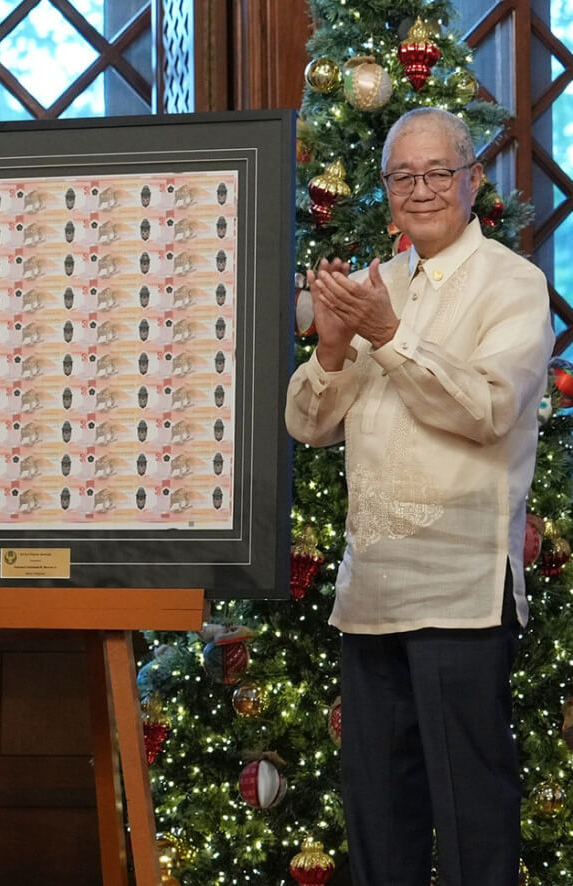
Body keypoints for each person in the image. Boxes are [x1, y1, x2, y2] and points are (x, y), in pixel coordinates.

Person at [285, 107, 553, 885]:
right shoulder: (378, 284)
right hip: (371, 591)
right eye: (405, 176)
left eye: (439, 172)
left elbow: (487, 409)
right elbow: (310, 426)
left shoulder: (513, 285)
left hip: (461, 593)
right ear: (388, 191)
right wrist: (333, 350)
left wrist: (390, 336)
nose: (423, 188)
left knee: (472, 818)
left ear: (472, 181)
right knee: (379, 818)